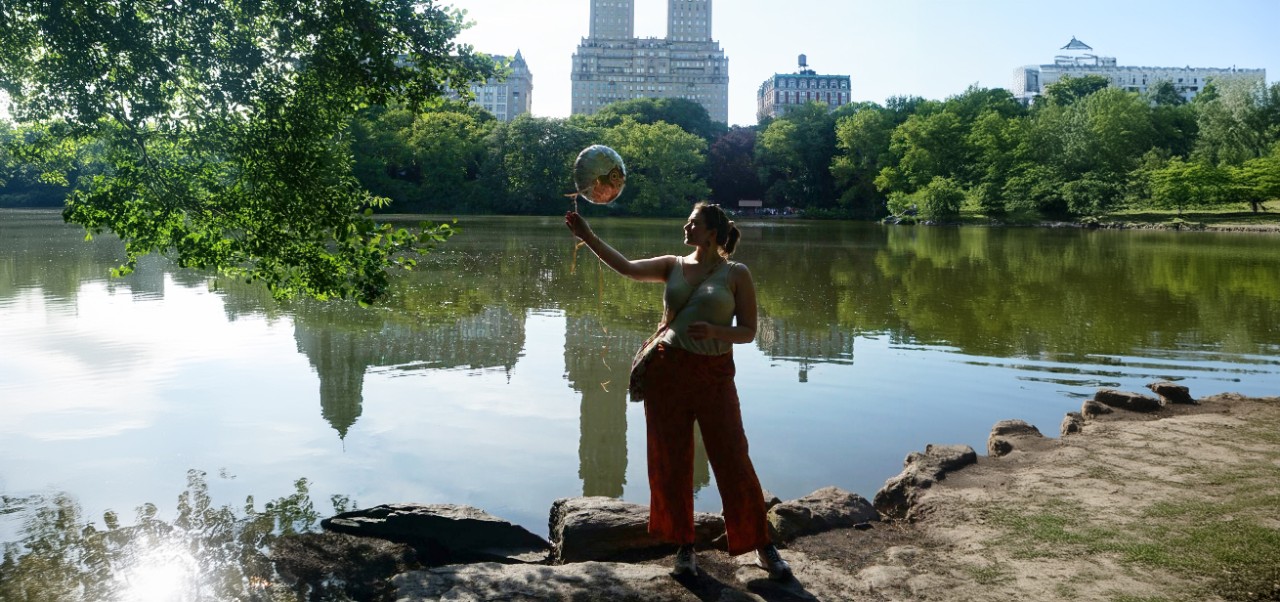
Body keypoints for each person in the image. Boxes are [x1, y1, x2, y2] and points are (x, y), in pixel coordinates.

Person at [564, 202, 792, 580]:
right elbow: (626, 267)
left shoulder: (737, 274)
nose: (686, 227)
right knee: (670, 461)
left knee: (733, 457)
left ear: (712, 233)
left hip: (714, 374)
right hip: (667, 373)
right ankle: (684, 547)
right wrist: (587, 236)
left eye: (693, 223)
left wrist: (717, 332)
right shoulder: (673, 264)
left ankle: (761, 544)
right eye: (686, 220)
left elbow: (749, 331)